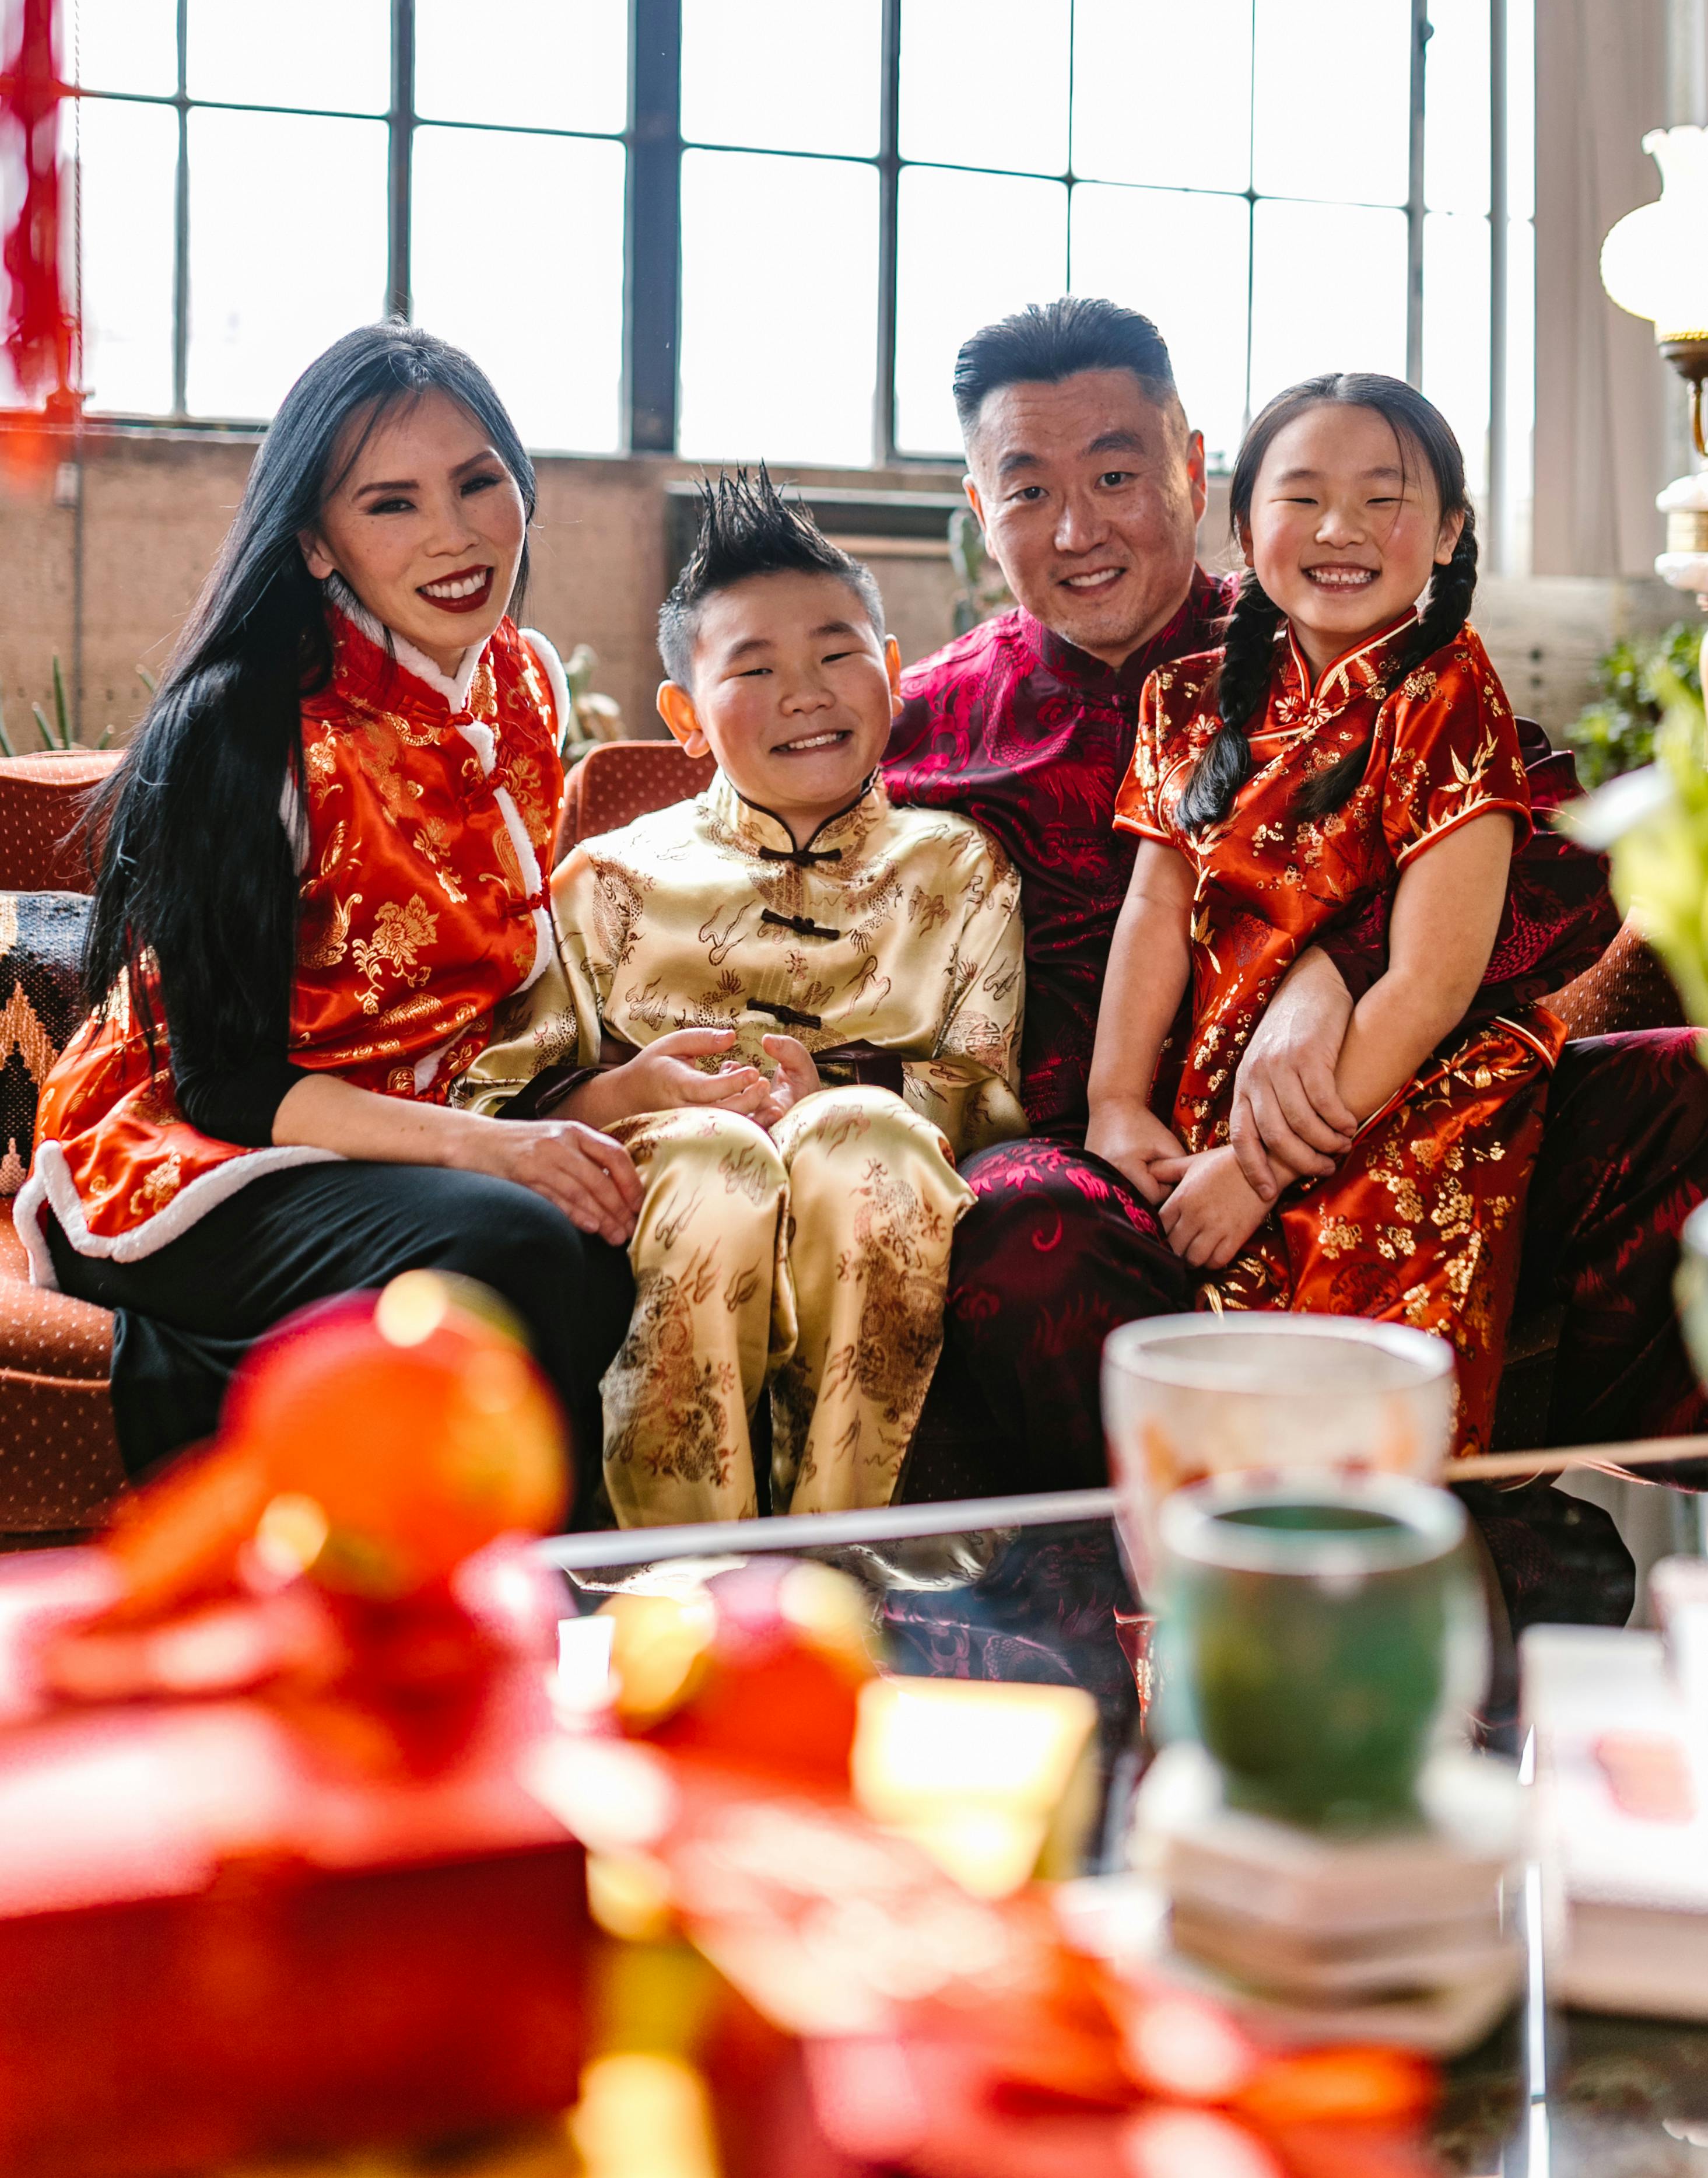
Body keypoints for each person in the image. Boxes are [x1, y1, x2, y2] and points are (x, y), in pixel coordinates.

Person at [886, 297, 1705, 1504]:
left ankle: (1511, 1519)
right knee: (1019, 1228)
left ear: (1191, 465)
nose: (1076, 528)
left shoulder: (1346, 629)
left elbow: (1539, 870)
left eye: (1116, 473)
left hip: (1384, 1096)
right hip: (1110, 1167)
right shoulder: (919, 727)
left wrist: (1323, 964)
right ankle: (1206, 1567)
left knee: (1682, 1087)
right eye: (1025, 491)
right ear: (976, 512)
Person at [17, 322, 640, 1501]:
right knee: (517, 1245)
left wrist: (625, 1086)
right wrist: (496, 1152)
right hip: (200, 1157)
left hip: (408, 1128)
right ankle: (511, 1623)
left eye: (477, 482)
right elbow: (225, 1085)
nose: (453, 534)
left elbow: (492, 1007)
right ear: (314, 542)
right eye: (390, 504)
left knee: (607, 1230)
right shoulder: (246, 726)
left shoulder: (524, 683)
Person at [462, 472, 1025, 1526]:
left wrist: (837, 1085)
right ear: (682, 715)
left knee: (864, 1139)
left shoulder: (960, 869)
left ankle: (841, 1560)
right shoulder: (604, 881)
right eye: (754, 667)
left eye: (836, 652)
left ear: (893, 673)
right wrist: (630, 1092)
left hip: (876, 1158)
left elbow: (987, 1090)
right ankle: (681, 1577)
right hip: (672, 1171)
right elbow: (495, 1100)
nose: (805, 692)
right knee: (716, 1166)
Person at [1088, 373, 1555, 1451]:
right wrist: (1116, 1101)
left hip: (1393, 1105)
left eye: (1384, 498)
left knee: (1336, 1428)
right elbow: (1155, 909)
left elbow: (1430, 983)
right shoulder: (1187, 698)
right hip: (1212, 1095)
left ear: (1446, 531)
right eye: (1300, 495)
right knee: (1191, 1433)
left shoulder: (1444, 691)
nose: (1340, 529)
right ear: (1244, 526)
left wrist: (1256, 1171)